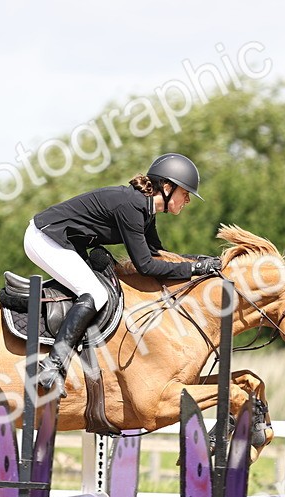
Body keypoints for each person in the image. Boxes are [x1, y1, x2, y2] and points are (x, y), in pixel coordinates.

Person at [24, 153, 222, 391]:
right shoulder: (132, 206)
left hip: (63, 241)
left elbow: (158, 253)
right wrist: (194, 269)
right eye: (186, 193)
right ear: (168, 187)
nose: (187, 200)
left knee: (98, 290)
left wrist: (203, 262)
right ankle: (52, 366)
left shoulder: (145, 210)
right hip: (45, 237)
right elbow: (146, 266)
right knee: (96, 294)